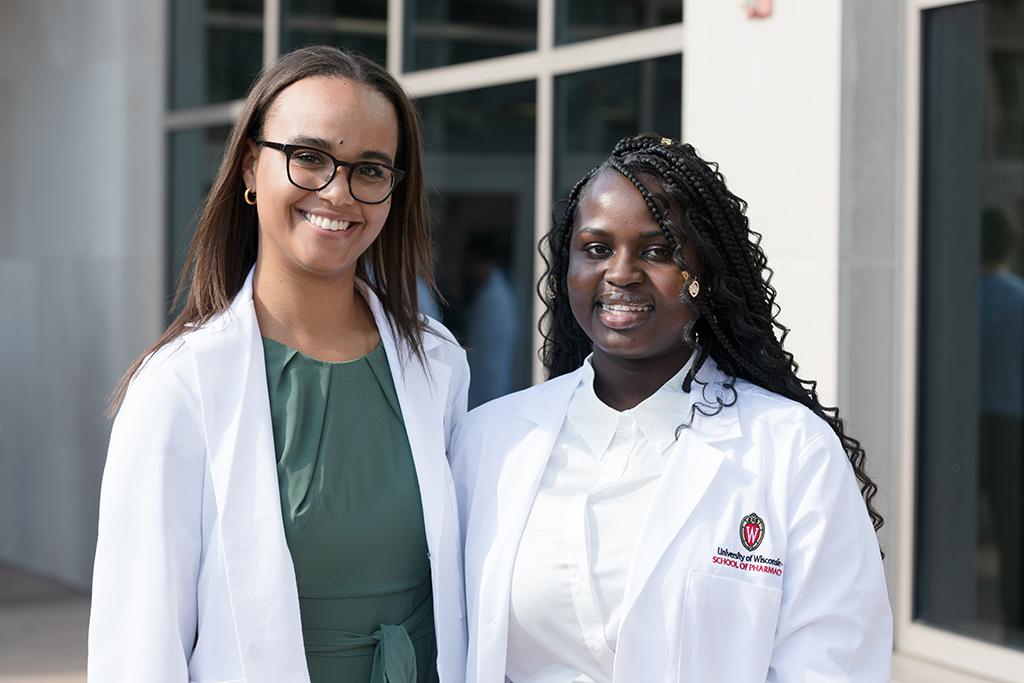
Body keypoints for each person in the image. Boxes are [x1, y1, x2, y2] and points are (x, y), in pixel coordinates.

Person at [88, 46, 469, 683]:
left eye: (370, 169)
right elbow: (138, 646)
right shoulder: (179, 387)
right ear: (247, 167)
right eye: (309, 157)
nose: (338, 192)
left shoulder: (437, 363)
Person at [451, 133, 891, 682]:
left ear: (705, 273)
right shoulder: (489, 440)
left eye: (658, 251)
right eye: (596, 248)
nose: (620, 273)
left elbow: (834, 663)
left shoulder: (792, 450)